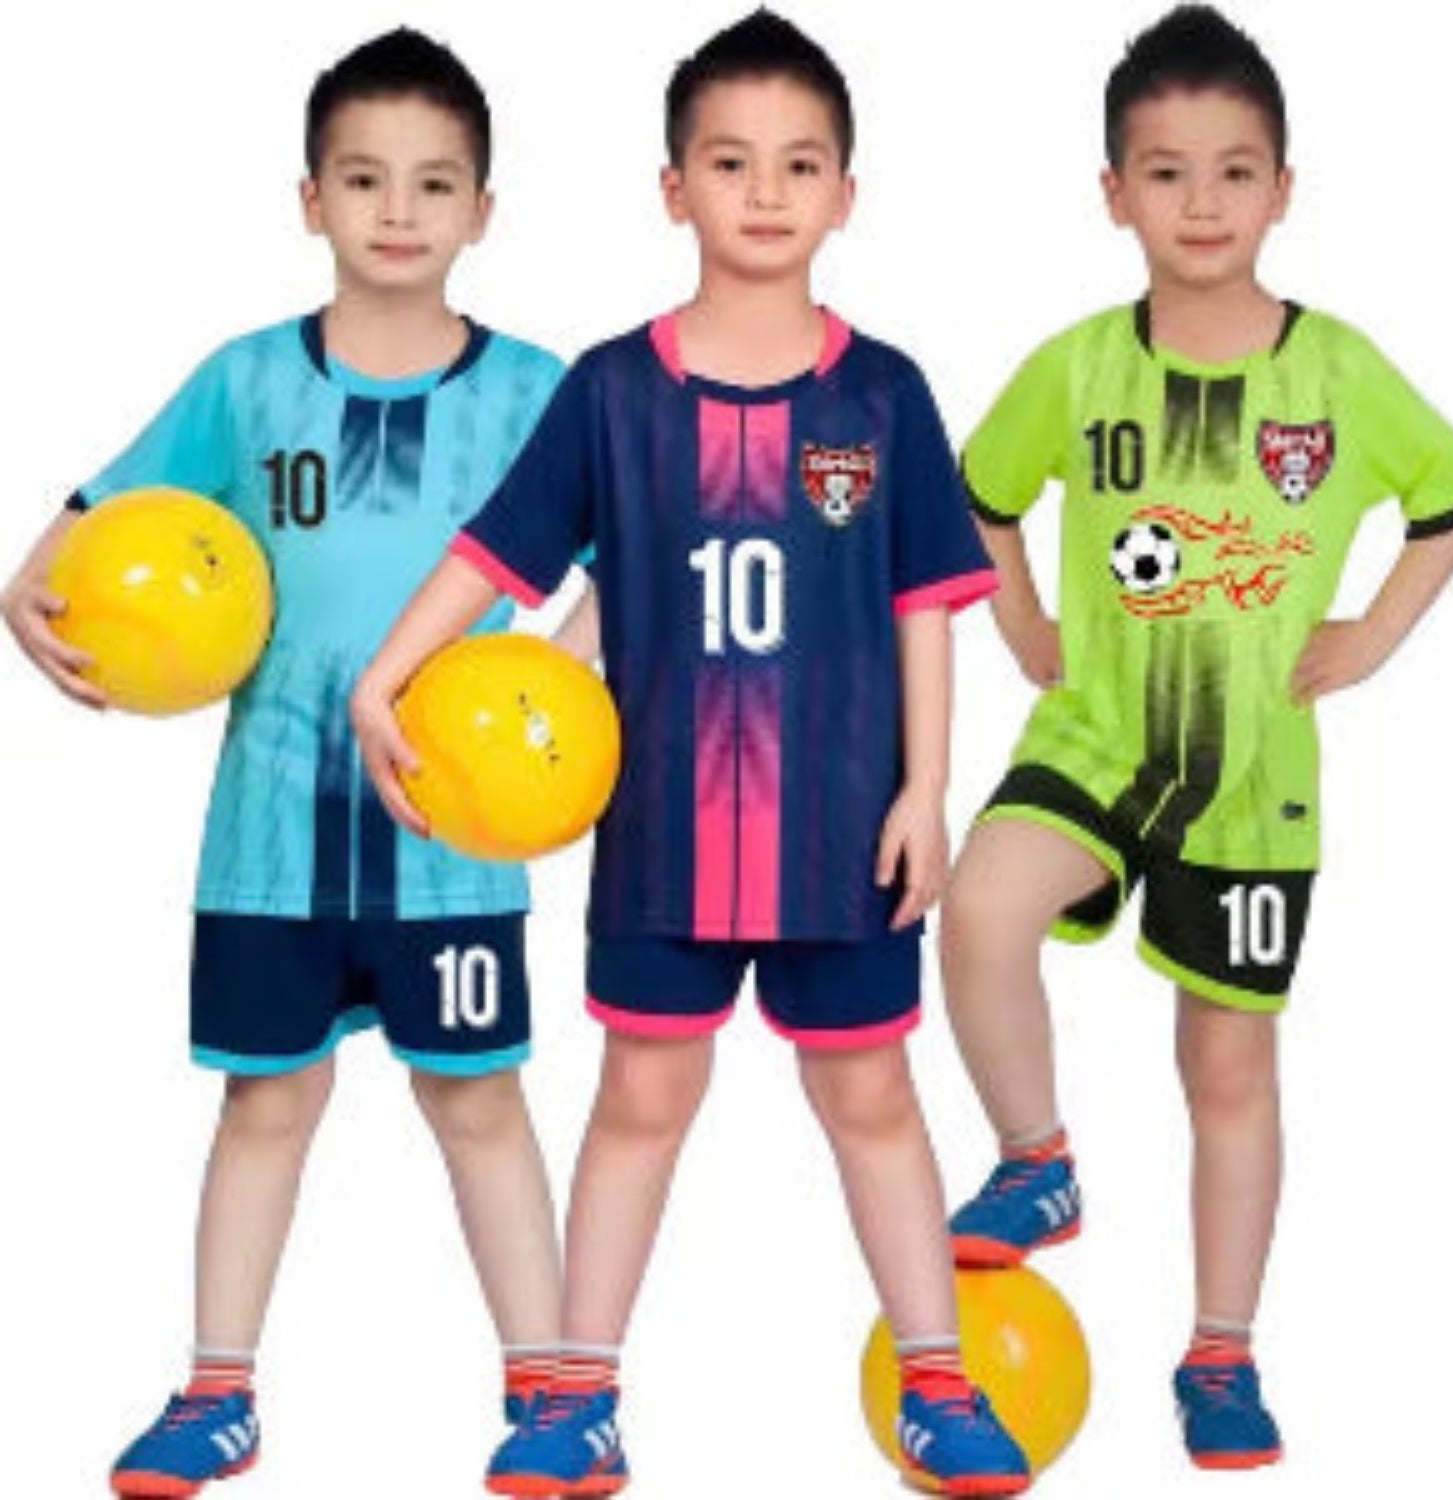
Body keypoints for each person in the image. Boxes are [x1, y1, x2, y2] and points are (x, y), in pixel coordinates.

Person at [352, 11, 1033, 1497]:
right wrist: (386, 675)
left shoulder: (886, 393)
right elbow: (498, 559)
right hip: (661, 833)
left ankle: (941, 1380)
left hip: (846, 830)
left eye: (801, 163)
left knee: (875, 1103)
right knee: (640, 1104)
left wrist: (928, 788)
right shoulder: (612, 391)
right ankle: (576, 1399)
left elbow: (928, 607)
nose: (767, 190)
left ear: (847, 191)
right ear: (676, 186)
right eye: (732, 161)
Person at [1, 29, 585, 1496]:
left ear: (481, 211)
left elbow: (634, 553)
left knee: (481, 1101)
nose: (400, 209)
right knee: (264, 1101)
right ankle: (217, 1395)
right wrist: (31, 591)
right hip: (268, 827)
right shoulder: (246, 384)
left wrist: (564, 670)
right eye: (366, 178)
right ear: (310, 197)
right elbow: (91, 526)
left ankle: (558, 1392)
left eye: (434, 182)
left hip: (459, 832)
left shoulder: (534, 394)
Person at [942, 1, 1453, 1472]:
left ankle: (1221, 1353)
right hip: (1098, 733)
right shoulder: (1075, 368)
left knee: (1230, 1073)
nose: (1201, 202)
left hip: (1253, 779)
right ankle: (1037, 1162)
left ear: (1283, 190)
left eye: (1233, 171)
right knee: (980, 909)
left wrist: (1371, 637)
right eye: (1166, 172)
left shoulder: (1340, 374)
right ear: (1113, 192)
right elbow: (982, 495)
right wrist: (1018, 626)